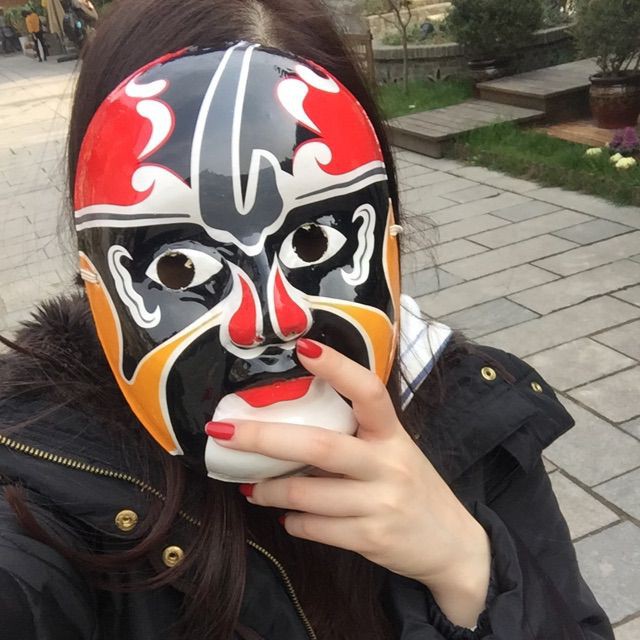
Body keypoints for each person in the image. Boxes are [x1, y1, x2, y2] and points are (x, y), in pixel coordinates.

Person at [0, 1, 615, 639]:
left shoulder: (474, 413)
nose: (270, 321)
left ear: (385, 233)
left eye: (314, 242)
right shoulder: (42, 482)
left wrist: (470, 571)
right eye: (181, 268)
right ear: (99, 276)